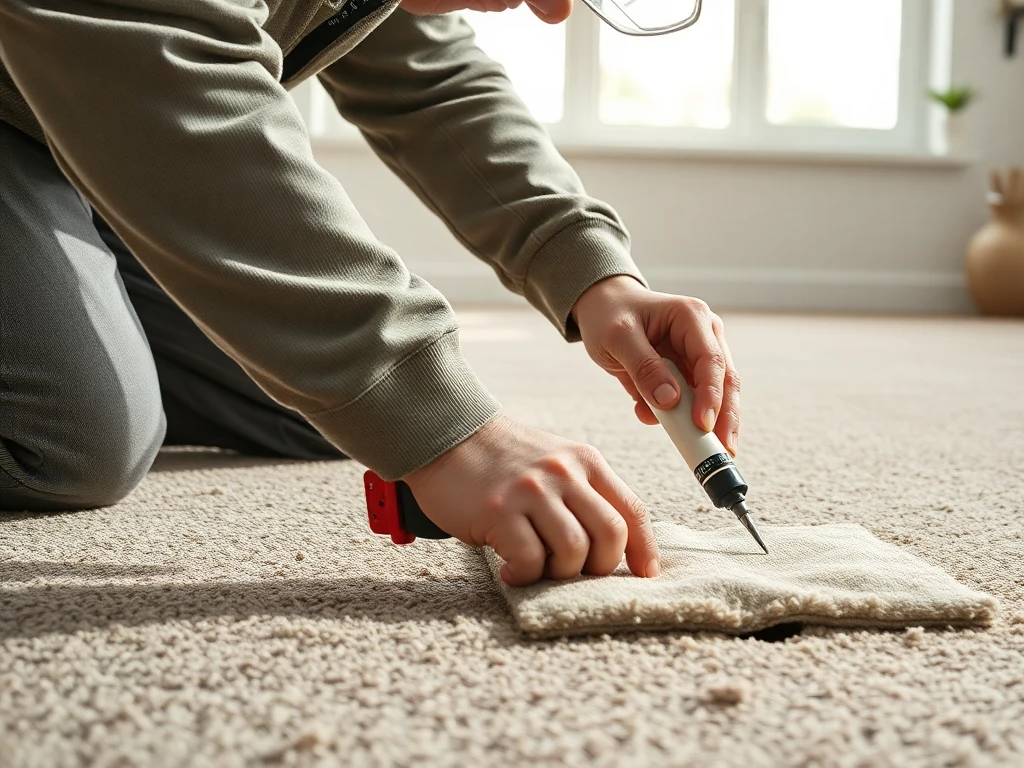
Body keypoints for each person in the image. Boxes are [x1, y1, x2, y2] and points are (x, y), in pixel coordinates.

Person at [0, 0, 742, 587]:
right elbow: (160, 59)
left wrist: (593, 275)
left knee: (325, 410)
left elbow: (431, 77)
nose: (552, 13)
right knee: (74, 439)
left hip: (84, 123)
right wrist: (451, 429)